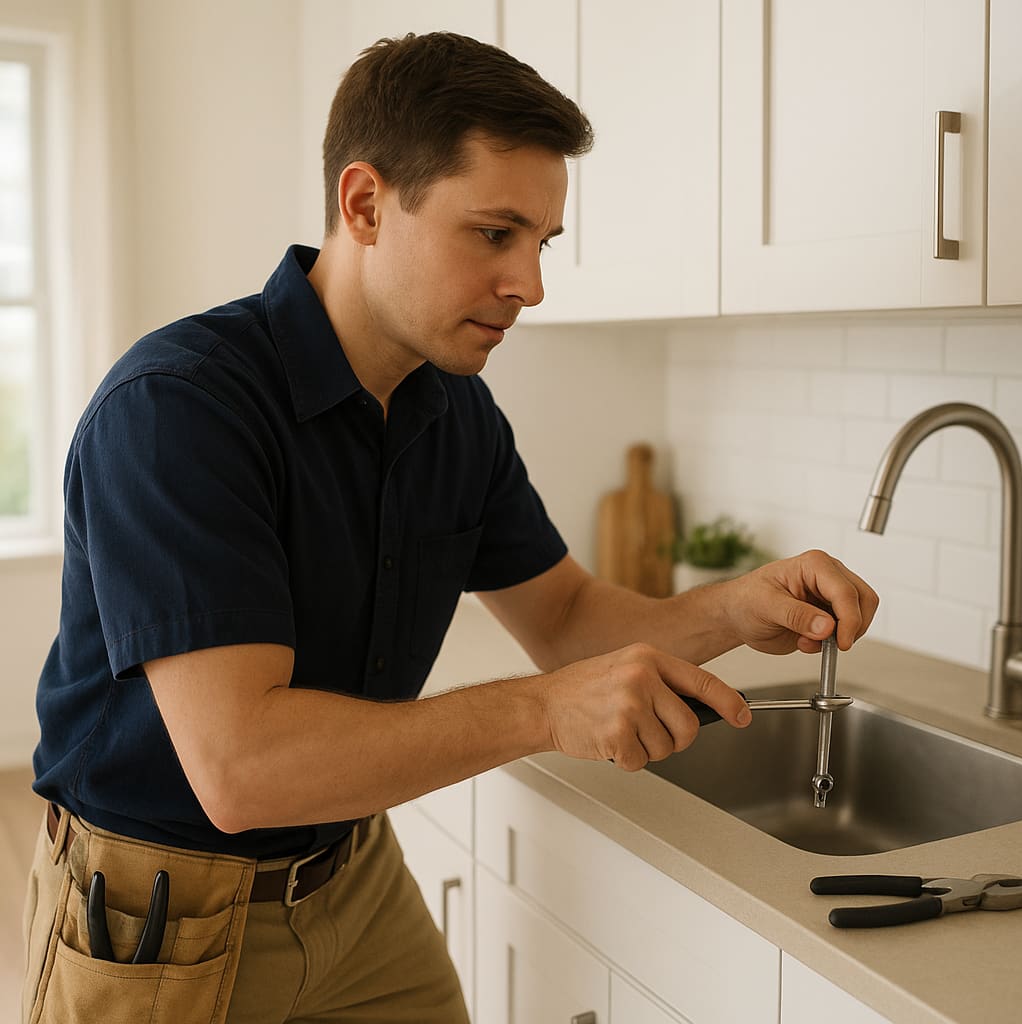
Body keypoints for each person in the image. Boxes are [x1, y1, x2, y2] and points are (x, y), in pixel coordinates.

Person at [23, 30, 878, 1024]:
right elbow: (242, 768)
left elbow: (564, 617)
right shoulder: (180, 407)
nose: (531, 283)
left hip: (351, 873)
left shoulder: (454, 413)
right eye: (494, 233)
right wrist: (543, 710)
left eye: (542, 243)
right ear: (365, 203)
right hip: (163, 915)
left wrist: (732, 605)